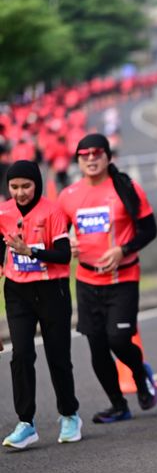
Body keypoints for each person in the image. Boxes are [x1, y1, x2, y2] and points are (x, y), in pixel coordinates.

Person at [58, 134, 157, 423]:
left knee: (119, 339)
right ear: (78, 160)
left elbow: (149, 230)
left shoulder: (126, 188)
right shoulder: (68, 195)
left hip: (123, 278)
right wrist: (66, 244)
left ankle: (140, 374)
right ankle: (118, 405)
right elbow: (57, 236)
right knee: (97, 346)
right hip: (87, 281)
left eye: (97, 153)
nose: (91, 158)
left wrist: (122, 250)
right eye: (85, 154)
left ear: (107, 156)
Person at [0, 161, 81, 449]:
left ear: (37, 184)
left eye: (26, 186)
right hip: (17, 292)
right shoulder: (4, 212)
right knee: (21, 355)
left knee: (58, 356)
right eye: (14, 187)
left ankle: (70, 414)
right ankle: (26, 423)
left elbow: (63, 255)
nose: (20, 192)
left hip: (51, 290)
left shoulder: (53, 211)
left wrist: (30, 251)